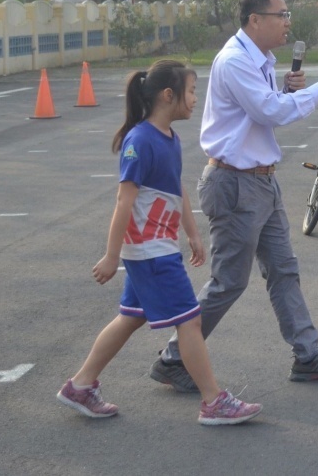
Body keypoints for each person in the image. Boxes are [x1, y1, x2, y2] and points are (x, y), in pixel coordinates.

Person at [149, 0, 318, 392]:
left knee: (284, 269)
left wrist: (290, 90)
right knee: (229, 281)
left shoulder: (257, 59)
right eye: (281, 15)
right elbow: (268, 112)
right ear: (255, 20)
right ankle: (174, 358)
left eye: (287, 15)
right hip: (235, 183)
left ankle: (308, 355)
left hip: (260, 181)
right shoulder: (234, 60)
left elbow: (261, 111)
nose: (288, 22)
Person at [58, 60, 261, 425]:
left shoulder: (169, 137)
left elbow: (175, 186)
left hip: (159, 246)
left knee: (130, 317)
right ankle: (213, 401)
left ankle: (80, 385)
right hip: (150, 251)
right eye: (192, 91)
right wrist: (110, 255)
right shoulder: (140, 140)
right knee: (190, 322)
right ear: (169, 95)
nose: (196, 99)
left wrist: (193, 232)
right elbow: (124, 201)